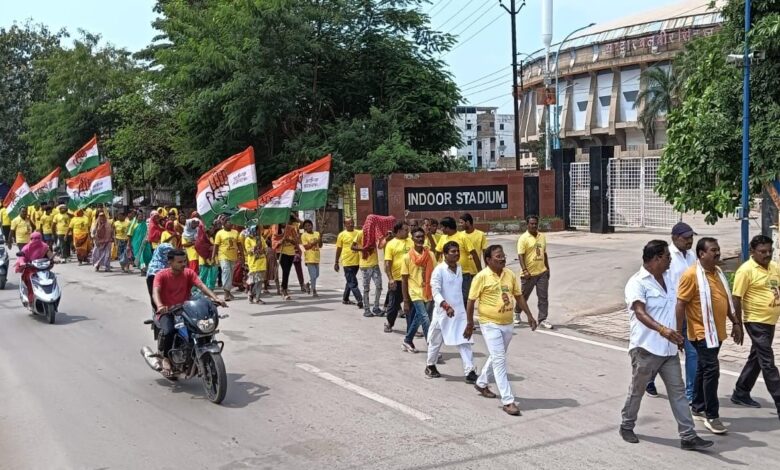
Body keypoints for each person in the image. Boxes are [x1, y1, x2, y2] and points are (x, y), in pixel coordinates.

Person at [619, 240, 714, 450]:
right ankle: (627, 425)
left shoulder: (670, 279)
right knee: (638, 390)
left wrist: (678, 333)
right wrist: (663, 330)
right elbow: (640, 312)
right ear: (656, 259)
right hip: (646, 349)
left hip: (669, 349)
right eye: (667, 257)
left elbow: (677, 307)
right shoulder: (637, 282)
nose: (671, 260)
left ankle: (688, 436)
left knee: (678, 392)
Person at [676, 237, 744, 434]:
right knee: (712, 371)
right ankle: (712, 415)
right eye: (713, 250)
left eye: (718, 249)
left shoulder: (718, 272)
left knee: (703, 370)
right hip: (701, 332)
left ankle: (697, 407)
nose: (717, 253)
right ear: (701, 254)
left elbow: (726, 299)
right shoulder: (691, 275)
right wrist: (678, 332)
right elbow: (681, 303)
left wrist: (736, 323)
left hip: (717, 331)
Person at [467, 245, 537, 416]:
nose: (502, 258)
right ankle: (508, 400)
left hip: (507, 323)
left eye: (503, 255)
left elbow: (518, 296)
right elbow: (470, 301)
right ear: (488, 260)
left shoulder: (510, 274)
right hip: (489, 323)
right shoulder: (481, 277)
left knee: (497, 356)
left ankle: (481, 382)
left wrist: (529, 315)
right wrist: (469, 323)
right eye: (498, 256)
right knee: (499, 360)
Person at [152, 249, 226, 376]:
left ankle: (198, 352)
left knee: (200, 327)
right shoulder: (161, 275)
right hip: (168, 311)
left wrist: (215, 298)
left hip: (186, 309)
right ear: (170, 262)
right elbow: (156, 291)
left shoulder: (188, 273)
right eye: (179, 262)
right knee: (169, 330)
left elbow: (201, 286)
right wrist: (160, 305)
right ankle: (165, 358)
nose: (183, 264)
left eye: (184, 261)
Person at [647, 222, 698, 399]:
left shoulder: (692, 256)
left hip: (689, 312)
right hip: (669, 313)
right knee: (663, 351)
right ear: (675, 238)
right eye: (686, 238)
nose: (690, 241)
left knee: (692, 352)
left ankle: (690, 393)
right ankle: (648, 379)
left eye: (691, 237)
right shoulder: (666, 257)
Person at [731, 235, 780, 418]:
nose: (767, 254)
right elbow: (736, 297)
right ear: (752, 252)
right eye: (762, 252)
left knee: (758, 357)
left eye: (769, 251)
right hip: (755, 321)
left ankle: (741, 391)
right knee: (767, 361)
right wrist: (738, 324)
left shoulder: (774, 267)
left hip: (770, 320)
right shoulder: (746, 271)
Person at [426, 241, 478, 383]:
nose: (456, 254)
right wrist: (445, 306)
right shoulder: (439, 270)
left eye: (457, 251)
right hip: (442, 313)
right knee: (435, 341)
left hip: (459, 312)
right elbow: (435, 293)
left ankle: (470, 371)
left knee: (464, 340)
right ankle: (430, 365)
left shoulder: (459, 267)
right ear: (444, 254)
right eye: (452, 252)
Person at [401, 227, 436, 353]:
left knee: (419, 318)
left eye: (422, 236)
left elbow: (435, 275)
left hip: (428, 291)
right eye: (417, 237)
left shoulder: (430, 255)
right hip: (415, 292)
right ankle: (432, 348)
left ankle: (408, 340)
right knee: (426, 319)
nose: (420, 239)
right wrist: (405, 300)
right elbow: (404, 280)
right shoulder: (406, 257)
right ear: (412, 239)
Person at [515, 215, 552, 329]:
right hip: (529, 274)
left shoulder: (542, 236)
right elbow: (520, 255)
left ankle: (543, 319)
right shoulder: (523, 238)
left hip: (542, 272)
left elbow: (544, 253)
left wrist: (547, 268)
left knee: (543, 297)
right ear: (527, 225)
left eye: (535, 223)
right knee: (523, 296)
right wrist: (525, 270)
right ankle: (517, 313)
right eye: (531, 224)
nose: (534, 225)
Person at [435, 217, 481, 305]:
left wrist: (480, 271)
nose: (441, 229)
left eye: (442, 227)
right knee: (449, 298)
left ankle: (464, 317)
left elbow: (474, 253)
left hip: (463, 274)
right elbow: (437, 253)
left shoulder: (463, 237)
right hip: (447, 274)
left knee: (464, 298)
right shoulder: (443, 238)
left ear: (448, 228)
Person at [383, 222, 413, 333]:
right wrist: (390, 279)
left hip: (411, 279)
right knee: (393, 304)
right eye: (405, 230)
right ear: (399, 231)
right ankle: (389, 323)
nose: (408, 232)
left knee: (410, 304)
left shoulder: (411, 241)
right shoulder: (391, 244)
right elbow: (387, 264)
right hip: (396, 280)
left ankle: (411, 328)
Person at [15, 232, 55, 305]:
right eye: (34, 239)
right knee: (29, 279)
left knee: (51, 277)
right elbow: (21, 257)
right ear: (31, 239)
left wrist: (54, 259)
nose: (36, 240)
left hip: (42, 267)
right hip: (30, 267)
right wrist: (23, 262)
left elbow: (50, 254)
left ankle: (52, 293)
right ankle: (31, 297)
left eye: (38, 238)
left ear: (41, 239)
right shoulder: (26, 247)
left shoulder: (44, 246)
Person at [334, 218, 363, 308]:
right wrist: (336, 262)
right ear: (345, 225)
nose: (351, 224)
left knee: (350, 280)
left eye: (352, 223)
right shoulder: (341, 235)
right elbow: (338, 249)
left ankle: (345, 298)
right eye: (348, 223)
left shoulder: (358, 233)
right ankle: (360, 299)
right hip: (347, 261)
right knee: (352, 281)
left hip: (357, 261)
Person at [354, 227, 383, 316]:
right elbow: (353, 246)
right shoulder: (360, 233)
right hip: (365, 266)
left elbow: (380, 245)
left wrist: (386, 238)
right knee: (366, 289)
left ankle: (376, 307)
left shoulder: (375, 233)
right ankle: (367, 309)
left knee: (379, 286)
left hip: (375, 265)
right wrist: (364, 249)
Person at [213, 220, 240, 301]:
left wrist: (242, 255)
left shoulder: (235, 232)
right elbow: (216, 246)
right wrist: (213, 257)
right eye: (228, 222)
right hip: (223, 256)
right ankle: (226, 294)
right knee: (226, 272)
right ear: (224, 224)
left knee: (230, 274)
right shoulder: (219, 233)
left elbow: (239, 244)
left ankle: (228, 291)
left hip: (233, 256)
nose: (231, 223)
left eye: (231, 222)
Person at [277, 217, 301, 300]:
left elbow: (296, 241)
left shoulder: (291, 229)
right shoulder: (276, 229)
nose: (285, 222)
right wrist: (280, 241)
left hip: (291, 252)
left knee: (287, 271)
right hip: (281, 252)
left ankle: (283, 287)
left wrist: (290, 241)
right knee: (285, 270)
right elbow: (274, 241)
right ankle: (284, 289)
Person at [244, 225, 268, 304]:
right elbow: (249, 251)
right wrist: (255, 247)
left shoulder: (261, 238)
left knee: (260, 280)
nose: (259, 232)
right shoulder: (248, 239)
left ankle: (256, 297)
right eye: (257, 230)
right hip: (253, 263)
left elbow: (266, 248)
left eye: (259, 230)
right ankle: (252, 293)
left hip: (262, 262)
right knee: (255, 280)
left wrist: (264, 250)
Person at [300, 220, 322, 298]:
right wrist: (314, 242)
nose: (308, 227)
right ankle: (314, 290)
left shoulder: (317, 233)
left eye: (309, 225)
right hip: (309, 258)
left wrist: (320, 238)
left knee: (317, 274)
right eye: (305, 226)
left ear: (312, 225)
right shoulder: (304, 235)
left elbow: (320, 245)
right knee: (313, 275)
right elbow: (306, 247)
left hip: (317, 257)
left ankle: (308, 284)